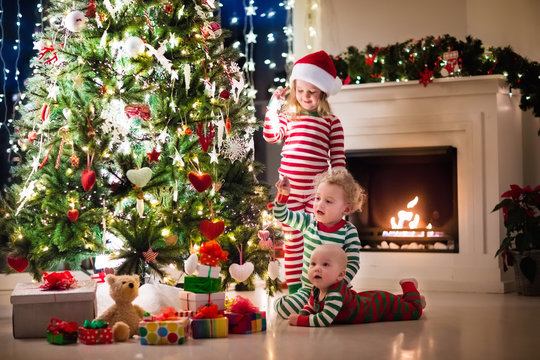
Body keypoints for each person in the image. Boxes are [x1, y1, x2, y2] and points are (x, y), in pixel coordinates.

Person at [264, 50, 346, 294]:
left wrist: (341, 195)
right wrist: (273, 107)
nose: (305, 96)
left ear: (322, 92)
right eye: (300, 91)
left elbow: (338, 161)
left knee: (315, 241)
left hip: (315, 195)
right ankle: (296, 289)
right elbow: (271, 135)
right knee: (292, 242)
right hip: (288, 191)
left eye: (312, 91)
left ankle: (317, 286)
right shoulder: (290, 116)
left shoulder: (331, 122)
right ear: (293, 89)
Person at [273, 169, 365, 319]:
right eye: (317, 198)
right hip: (308, 290)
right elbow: (281, 215)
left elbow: (353, 263)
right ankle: (314, 307)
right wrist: (283, 196)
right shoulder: (309, 222)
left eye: (328, 201)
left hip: (335, 292)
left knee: (347, 312)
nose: (319, 204)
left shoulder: (349, 231)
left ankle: (319, 309)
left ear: (346, 209)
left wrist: (338, 285)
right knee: (282, 307)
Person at [288, 244, 425, 327]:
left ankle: (409, 285)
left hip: (378, 306)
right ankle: (413, 298)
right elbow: (311, 306)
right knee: (399, 303)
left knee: (413, 311)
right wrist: (304, 312)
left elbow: (324, 319)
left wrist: (300, 320)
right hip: (365, 299)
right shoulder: (317, 289)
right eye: (313, 264)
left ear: (340, 275)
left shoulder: (335, 294)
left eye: (325, 264)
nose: (317, 268)